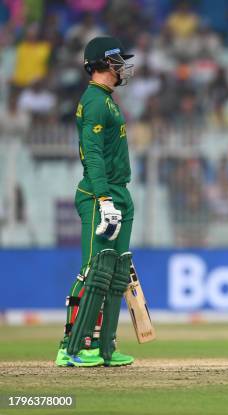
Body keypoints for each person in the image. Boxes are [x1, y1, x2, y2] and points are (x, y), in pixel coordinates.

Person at [55, 36, 136, 367]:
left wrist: (115, 197)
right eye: (117, 61)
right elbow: (93, 153)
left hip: (119, 192)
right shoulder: (95, 101)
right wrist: (103, 198)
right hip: (99, 193)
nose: (122, 67)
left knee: (116, 272)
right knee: (94, 270)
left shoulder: (107, 100)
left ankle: (105, 346)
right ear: (102, 64)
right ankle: (72, 346)